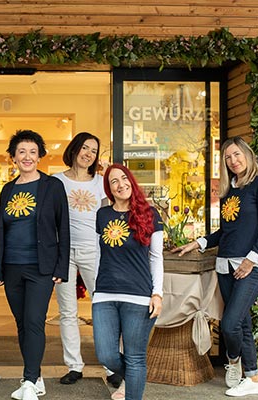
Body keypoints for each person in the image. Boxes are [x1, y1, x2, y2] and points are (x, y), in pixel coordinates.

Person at [173, 137, 258, 397]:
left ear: (247, 155)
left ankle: (232, 360)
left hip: (250, 266)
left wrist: (251, 260)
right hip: (224, 265)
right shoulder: (232, 189)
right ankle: (252, 379)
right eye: (228, 157)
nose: (233, 161)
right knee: (241, 325)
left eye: (237, 154)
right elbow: (226, 232)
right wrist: (197, 243)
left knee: (230, 324)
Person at [0, 129, 70, 400]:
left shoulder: (52, 186)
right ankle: (35, 377)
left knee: (35, 321)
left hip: (41, 267)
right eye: (21, 151)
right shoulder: (7, 189)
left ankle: (27, 381)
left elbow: (64, 228)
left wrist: (61, 268)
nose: (27, 156)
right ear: (13, 157)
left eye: (33, 152)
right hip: (12, 265)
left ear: (40, 157)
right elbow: (1, 231)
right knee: (22, 324)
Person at [52, 132, 122, 388]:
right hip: (64, 253)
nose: (88, 154)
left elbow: (109, 217)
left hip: (95, 251)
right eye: (84, 148)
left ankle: (111, 366)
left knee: (103, 309)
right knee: (67, 312)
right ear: (74, 149)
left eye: (93, 150)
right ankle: (74, 366)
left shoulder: (102, 182)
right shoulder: (56, 181)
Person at [93, 163, 164, 400]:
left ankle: (133, 386)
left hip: (138, 295)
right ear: (109, 189)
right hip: (104, 294)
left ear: (131, 181)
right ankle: (132, 377)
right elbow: (98, 253)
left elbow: (156, 258)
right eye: (114, 181)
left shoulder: (150, 214)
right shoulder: (102, 215)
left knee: (135, 357)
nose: (120, 184)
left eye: (124, 179)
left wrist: (158, 293)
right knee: (106, 355)